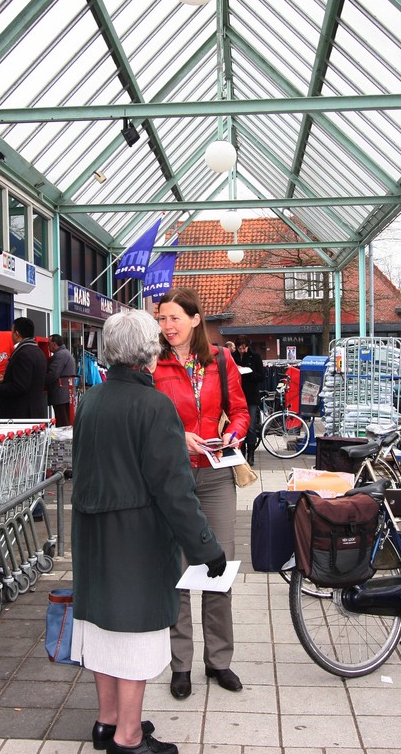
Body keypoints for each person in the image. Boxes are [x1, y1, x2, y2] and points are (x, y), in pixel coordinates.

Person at [71, 309, 227, 754]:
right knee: (135, 639)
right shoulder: (154, 406)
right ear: (149, 352)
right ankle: (129, 737)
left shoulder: (91, 401)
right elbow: (174, 491)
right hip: (135, 542)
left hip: (93, 537)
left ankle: (108, 722)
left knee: (103, 633)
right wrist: (206, 548)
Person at [152, 287, 249, 699]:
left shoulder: (221, 359)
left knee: (217, 567)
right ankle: (180, 665)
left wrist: (233, 434)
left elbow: (240, 411)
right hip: (171, 478)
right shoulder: (152, 363)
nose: (167, 326)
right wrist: (179, 437)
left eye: (174, 317)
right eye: (161, 318)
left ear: (195, 319)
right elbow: (146, 421)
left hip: (215, 475)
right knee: (174, 572)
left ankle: (219, 661)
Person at [0, 317, 48, 420]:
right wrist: (5, 378)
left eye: (12, 331)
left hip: (21, 413)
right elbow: (30, 378)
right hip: (35, 410)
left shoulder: (23, 354)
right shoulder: (38, 352)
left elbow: (19, 386)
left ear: (16, 334)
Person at [235, 337, 264, 465]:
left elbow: (261, 376)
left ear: (248, 346)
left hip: (251, 396)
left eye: (244, 348)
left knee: (250, 426)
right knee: (238, 425)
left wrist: (248, 372)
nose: (242, 350)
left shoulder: (255, 357)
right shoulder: (232, 357)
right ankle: (241, 453)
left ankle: (251, 454)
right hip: (236, 396)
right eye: (239, 348)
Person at [45, 334, 77, 427]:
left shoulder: (60, 355)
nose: (48, 346)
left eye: (49, 344)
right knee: (66, 422)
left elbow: (52, 375)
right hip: (66, 395)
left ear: (54, 344)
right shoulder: (66, 353)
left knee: (62, 424)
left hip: (61, 396)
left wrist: (39, 381)